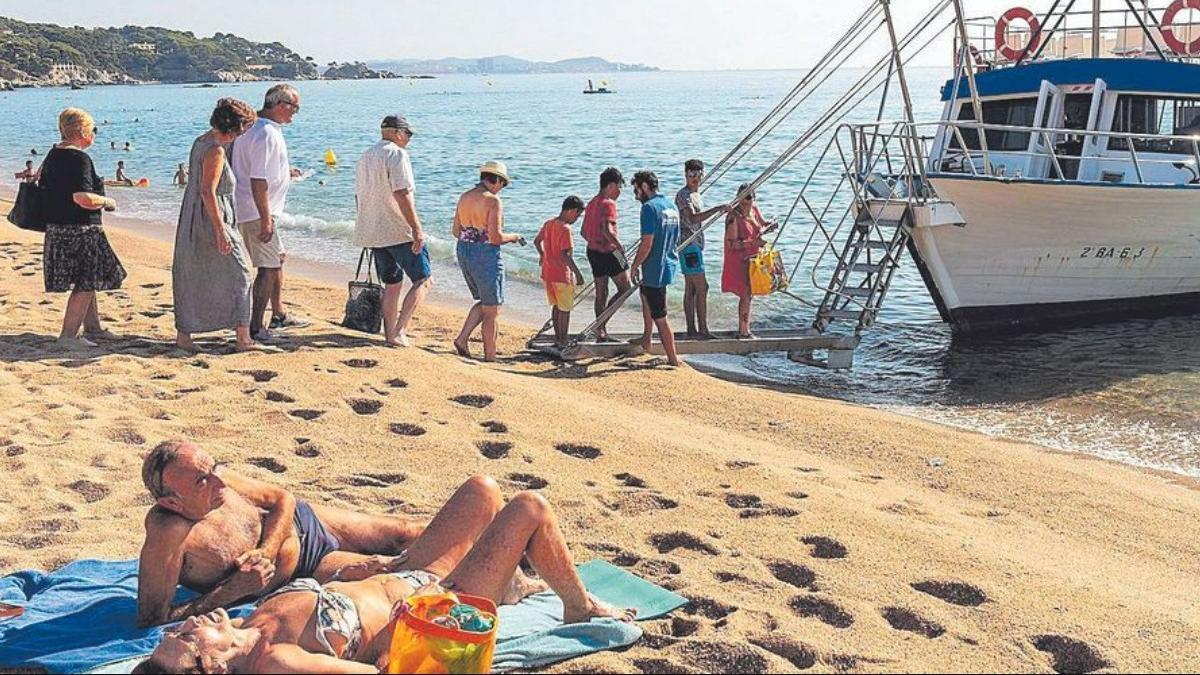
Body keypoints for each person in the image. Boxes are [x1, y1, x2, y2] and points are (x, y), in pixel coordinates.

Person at [133, 488, 634, 674]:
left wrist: (353, 578)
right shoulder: (277, 661)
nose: (182, 628)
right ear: (213, 670)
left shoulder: (253, 626)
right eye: (184, 639)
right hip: (433, 607)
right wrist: (397, 630)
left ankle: (511, 585)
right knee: (529, 508)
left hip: (404, 575)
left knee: (483, 490)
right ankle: (578, 607)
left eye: (176, 632)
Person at [135, 440, 430, 628]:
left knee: (408, 533)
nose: (219, 482)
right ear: (172, 502)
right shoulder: (169, 533)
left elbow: (282, 498)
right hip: (306, 568)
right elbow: (153, 618)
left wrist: (267, 550)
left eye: (213, 468)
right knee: (403, 573)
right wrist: (233, 591)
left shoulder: (218, 477)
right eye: (202, 481)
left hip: (304, 521)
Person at [172, 98, 262, 353]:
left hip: (193, 216)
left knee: (193, 271)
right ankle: (243, 338)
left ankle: (185, 335)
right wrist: (221, 230)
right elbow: (207, 191)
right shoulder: (215, 150)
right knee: (240, 273)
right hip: (210, 217)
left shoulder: (202, 141)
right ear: (235, 127)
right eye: (245, 127)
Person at [39, 107, 125, 348]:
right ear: (82, 131)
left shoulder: (53, 154)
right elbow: (82, 198)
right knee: (86, 281)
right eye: (93, 129)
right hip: (80, 228)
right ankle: (68, 336)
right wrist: (108, 201)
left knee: (88, 279)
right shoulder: (79, 158)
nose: (95, 134)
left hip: (58, 226)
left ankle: (93, 327)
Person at [230, 83, 309, 343]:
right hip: (257, 211)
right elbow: (257, 180)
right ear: (280, 105)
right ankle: (255, 327)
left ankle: (278, 313)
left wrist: (285, 172)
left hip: (252, 208)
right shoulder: (265, 133)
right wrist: (265, 219)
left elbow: (257, 170)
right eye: (294, 108)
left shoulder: (254, 129)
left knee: (278, 259)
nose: (295, 114)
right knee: (267, 268)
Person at [353, 114, 429, 348]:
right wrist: (416, 228)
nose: (409, 139)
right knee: (424, 280)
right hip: (396, 228)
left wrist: (365, 222)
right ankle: (399, 330)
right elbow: (402, 192)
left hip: (373, 228)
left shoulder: (366, 155)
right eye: (408, 134)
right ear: (397, 132)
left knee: (392, 283)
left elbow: (359, 195)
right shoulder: (397, 154)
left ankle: (390, 333)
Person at [452, 161, 524, 362]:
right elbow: (495, 238)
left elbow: (456, 231)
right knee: (492, 309)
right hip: (485, 254)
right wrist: (515, 237)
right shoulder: (493, 201)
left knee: (485, 303)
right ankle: (490, 357)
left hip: (464, 250)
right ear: (497, 181)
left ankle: (462, 338)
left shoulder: (464, 196)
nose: (502, 189)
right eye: (503, 184)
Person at [630, 171, 681, 367]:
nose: (635, 196)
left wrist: (634, 266)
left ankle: (673, 359)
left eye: (636, 190)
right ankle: (646, 340)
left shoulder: (649, 208)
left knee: (660, 315)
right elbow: (676, 237)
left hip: (654, 267)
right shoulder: (670, 205)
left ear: (644, 187)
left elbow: (647, 243)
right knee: (645, 299)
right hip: (668, 263)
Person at [675, 159, 730, 339]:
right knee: (702, 286)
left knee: (691, 288)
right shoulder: (683, 195)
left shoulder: (696, 194)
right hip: (688, 245)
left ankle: (693, 330)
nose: (695, 178)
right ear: (685, 175)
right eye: (691, 175)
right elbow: (692, 218)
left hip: (695, 245)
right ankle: (702, 330)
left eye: (698, 175)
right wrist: (717, 209)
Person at [722, 183, 777, 338]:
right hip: (739, 259)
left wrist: (770, 225)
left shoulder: (754, 210)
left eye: (748, 197)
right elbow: (731, 243)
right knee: (745, 294)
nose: (745, 202)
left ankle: (745, 327)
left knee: (750, 294)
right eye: (742, 197)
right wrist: (753, 243)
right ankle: (744, 330)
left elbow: (761, 225)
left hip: (753, 259)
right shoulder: (734, 217)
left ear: (753, 198)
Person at [581, 167, 630, 341]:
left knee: (601, 292)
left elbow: (583, 232)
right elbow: (608, 230)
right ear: (610, 185)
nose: (620, 192)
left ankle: (600, 329)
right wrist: (620, 248)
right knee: (626, 288)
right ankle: (601, 326)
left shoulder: (592, 202)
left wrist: (594, 240)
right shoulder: (608, 203)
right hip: (610, 251)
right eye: (619, 187)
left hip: (593, 250)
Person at [534, 196, 586, 348]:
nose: (576, 219)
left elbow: (537, 241)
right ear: (570, 211)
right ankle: (563, 340)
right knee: (565, 309)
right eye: (577, 215)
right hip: (562, 275)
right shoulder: (565, 228)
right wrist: (578, 273)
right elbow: (565, 255)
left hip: (548, 273)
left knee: (557, 307)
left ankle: (558, 338)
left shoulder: (549, 224)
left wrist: (542, 254)